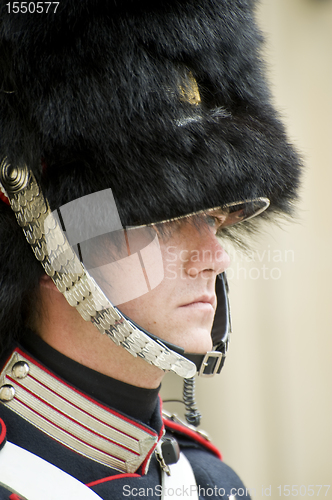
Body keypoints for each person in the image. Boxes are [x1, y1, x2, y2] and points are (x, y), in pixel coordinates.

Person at [0, 0, 301, 498]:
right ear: (54, 245)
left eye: (213, 219)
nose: (217, 256)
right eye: (168, 221)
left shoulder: (210, 484)